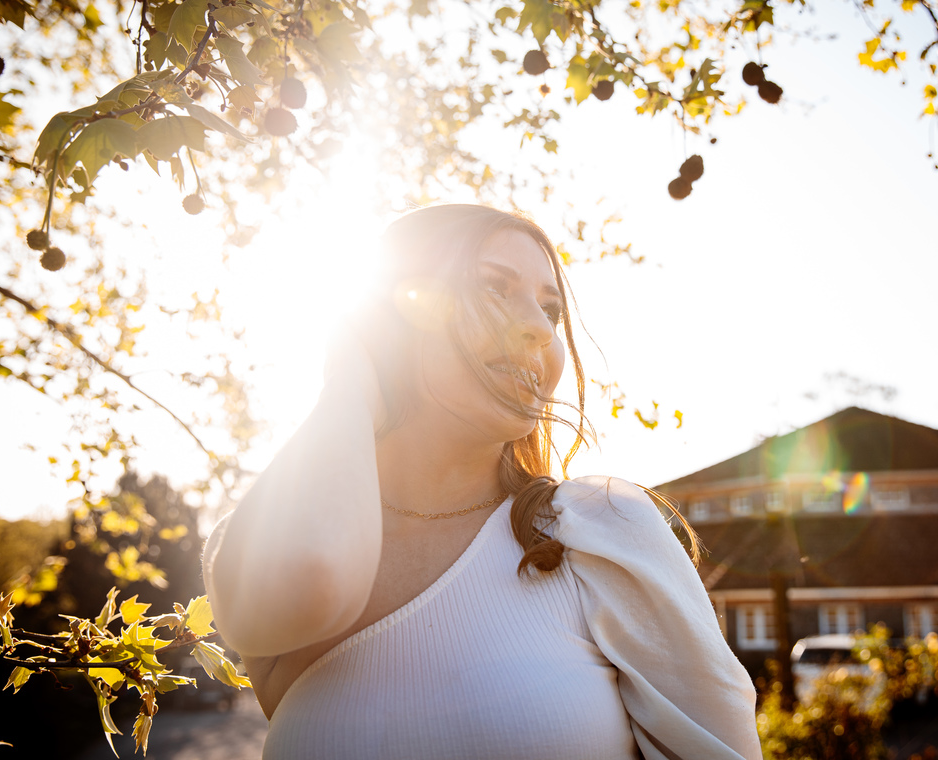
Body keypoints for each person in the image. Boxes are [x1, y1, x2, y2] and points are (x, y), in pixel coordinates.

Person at [202, 204, 760, 759]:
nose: (540, 328)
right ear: (395, 315)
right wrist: (350, 371)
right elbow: (311, 575)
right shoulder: (272, 535)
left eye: (551, 309)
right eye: (495, 286)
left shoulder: (597, 527)